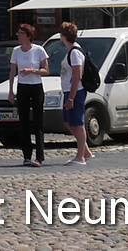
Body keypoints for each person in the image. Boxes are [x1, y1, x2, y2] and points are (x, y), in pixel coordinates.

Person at [11, 23, 50, 167]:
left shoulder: (39, 50)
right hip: (22, 87)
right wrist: (11, 90)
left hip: (36, 87)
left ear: (28, 35)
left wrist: (32, 70)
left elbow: (46, 70)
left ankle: (40, 156)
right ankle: (27, 155)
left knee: (38, 122)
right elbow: (12, 71)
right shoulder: (16, 51)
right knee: (24, 122)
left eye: (21, 33)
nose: (18, 36)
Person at [58, 21, 91, 166]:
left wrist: (71, 97)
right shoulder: (70, 51)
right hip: (68, 90)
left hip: (76, 91)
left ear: (64, 36)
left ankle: (80, 157)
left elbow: (77, 75)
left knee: (78, 123)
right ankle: (86, 151)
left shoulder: (75, 52)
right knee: (67, 121)